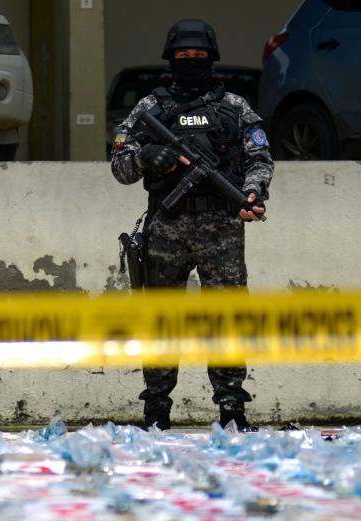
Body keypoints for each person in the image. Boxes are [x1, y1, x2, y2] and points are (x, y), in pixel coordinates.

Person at [110, 19, 274, 431]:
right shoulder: (150, 109)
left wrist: (252, 192)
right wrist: (148, 157)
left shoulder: (235, 109)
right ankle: (156, 409)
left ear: (212, 60)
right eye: (183, 57)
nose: (192, 63)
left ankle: (232, 407)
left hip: (221, 224)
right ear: (170, 60)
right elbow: (120, 166)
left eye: (199, 58)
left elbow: (259, 159)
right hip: (167, 224)